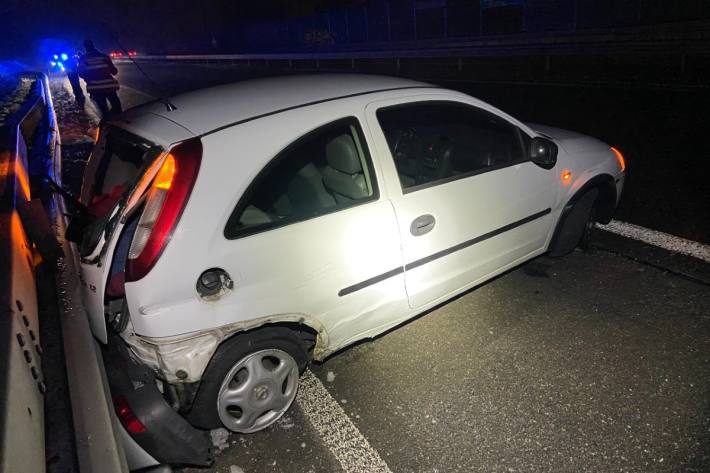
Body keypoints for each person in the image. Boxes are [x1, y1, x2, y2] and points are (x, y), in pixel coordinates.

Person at [78, 39, 122, 117]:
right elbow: (114, 71)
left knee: (104, 111)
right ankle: (121, 122)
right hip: (109, 87)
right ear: (93, 45)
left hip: (95, 88)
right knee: (117, 108)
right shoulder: (104, 57)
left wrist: (90, 77)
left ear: (85, 47)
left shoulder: (83, 59)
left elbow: (81, 74)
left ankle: (108, 124)